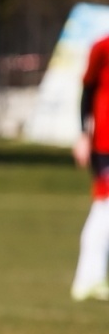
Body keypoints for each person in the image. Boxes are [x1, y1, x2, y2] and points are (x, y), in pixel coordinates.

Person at [72, 32, 109, 301]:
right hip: (105, 144)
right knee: (105, 206)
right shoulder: (102, 48)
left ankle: (91, 277)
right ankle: (88, 278)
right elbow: (87, 90)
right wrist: (84, 134)